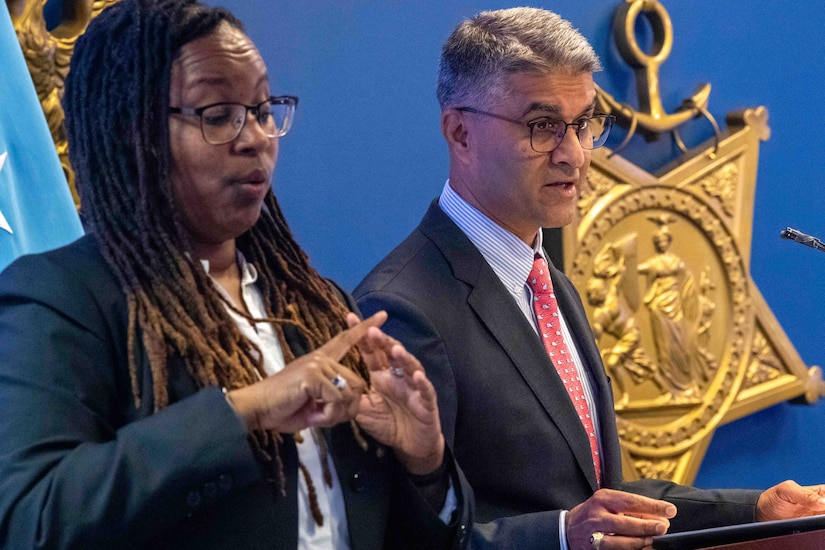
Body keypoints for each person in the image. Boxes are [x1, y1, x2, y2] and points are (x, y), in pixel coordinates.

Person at [0, 1, 472, 548]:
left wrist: (425, 462)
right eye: (218, 114)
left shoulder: (316, 305)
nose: (257, 138)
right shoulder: (61, 300)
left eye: (264, 109)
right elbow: (28, 519)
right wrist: (245, 409)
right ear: (133, 133)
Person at [354, 7, 825, 550]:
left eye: (582, 125)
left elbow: (599, 497)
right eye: (543, 127)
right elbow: (403, 536)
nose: (574, 155)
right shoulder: (399, 311)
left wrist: (759, 510)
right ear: (459, 131)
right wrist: (559, 537)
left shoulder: (546, 281)